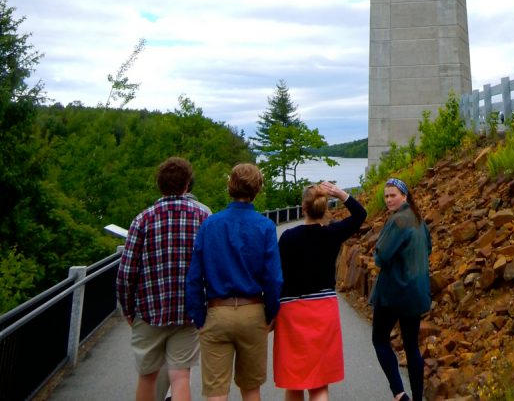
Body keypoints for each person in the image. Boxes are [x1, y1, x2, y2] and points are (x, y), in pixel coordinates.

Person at [116, 156, 211, 401]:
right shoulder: (203, 217)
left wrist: (128, 310)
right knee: (180, 375)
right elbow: (212, 264)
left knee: (147, 375)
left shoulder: (142, 219)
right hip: (188, 311)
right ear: (187, 184)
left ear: (160, 184)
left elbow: (126, 273)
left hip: (149, 311)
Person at [185, 163, 282, 401]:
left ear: (230, 186)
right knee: (251, 389)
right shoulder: (265, 226)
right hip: (253, 312)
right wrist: (270, 314)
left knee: (216, 391)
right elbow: (273, 278)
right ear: (257, 189)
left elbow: (195, 276)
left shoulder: (210, 225)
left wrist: (198, 316)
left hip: (217, 312)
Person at [273, 180, 367, 400]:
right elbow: (360, 215)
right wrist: (341, 194)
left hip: (291, 311)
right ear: (325, 208)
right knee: (319, 384)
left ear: (303, 208)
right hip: (323, 310)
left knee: (294, 382)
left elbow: (277, 276)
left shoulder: (287, 238)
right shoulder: (332, 234)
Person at [369, 178, 432, 401]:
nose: (388, 200)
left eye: (392, 195)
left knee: (379, 340)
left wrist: (380, 256)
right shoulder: (418, 219)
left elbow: (381, 256)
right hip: (415, 293)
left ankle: (399, 394)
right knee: (412, 346)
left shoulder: (397, 221)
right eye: (386, 196)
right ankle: (417, 398)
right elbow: (429, 248)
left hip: (393, 294)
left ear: (404, 196)